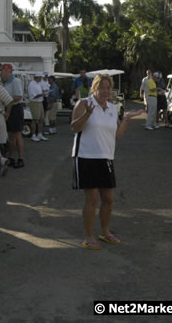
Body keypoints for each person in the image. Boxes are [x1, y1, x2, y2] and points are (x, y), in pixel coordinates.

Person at [71, 74, 143, 249]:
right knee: (92, 199)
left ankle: (105, 231)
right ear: (94, 88)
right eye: (101, 88)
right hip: (86, 157)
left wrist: (126, 119)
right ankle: (89, 236)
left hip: (106, 158)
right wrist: (87, 115)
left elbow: (117, 134)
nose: (105, 91)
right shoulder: (84, 103)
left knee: (109, 199)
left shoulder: (112, 107)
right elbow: (74, 127)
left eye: (108, 88)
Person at [0, 64, 25, 168]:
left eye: (2, 71)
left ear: (7, 71)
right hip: (9, 108)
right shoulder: (5, 82)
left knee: (17, 135)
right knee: (10, 136)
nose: (1, 74)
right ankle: (11, 157)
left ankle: (21, 158)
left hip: (15, 109)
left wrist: (7, 100)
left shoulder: (16, 81)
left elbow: (19, 96)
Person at [28, 73, 48, 142]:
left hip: (40, 102)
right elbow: (33, 96)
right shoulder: (32, 84)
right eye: (40, 77)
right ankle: (33, 135)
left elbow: (39, 92)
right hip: (34, 103)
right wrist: (42, 94)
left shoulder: (38, 84)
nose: (41, 79)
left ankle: (39, 134)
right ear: (37, 77)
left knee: (41, 119)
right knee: (34, 119)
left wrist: (44, 92)